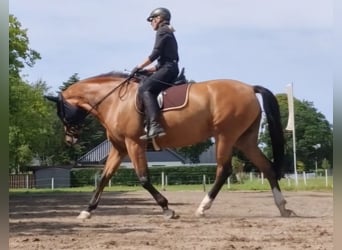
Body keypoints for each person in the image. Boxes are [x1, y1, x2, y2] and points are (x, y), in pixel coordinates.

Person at [131, 7, 179, 140]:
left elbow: (155, 54)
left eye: (151, 20)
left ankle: (154, 125)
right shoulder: (167, 31)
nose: (151, 23)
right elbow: (161, 62)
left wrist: (138, 66)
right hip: (169, 67)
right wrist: (146, 70)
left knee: (144, 88)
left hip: (168, 69)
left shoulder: (162, 31)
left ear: (158, 19)